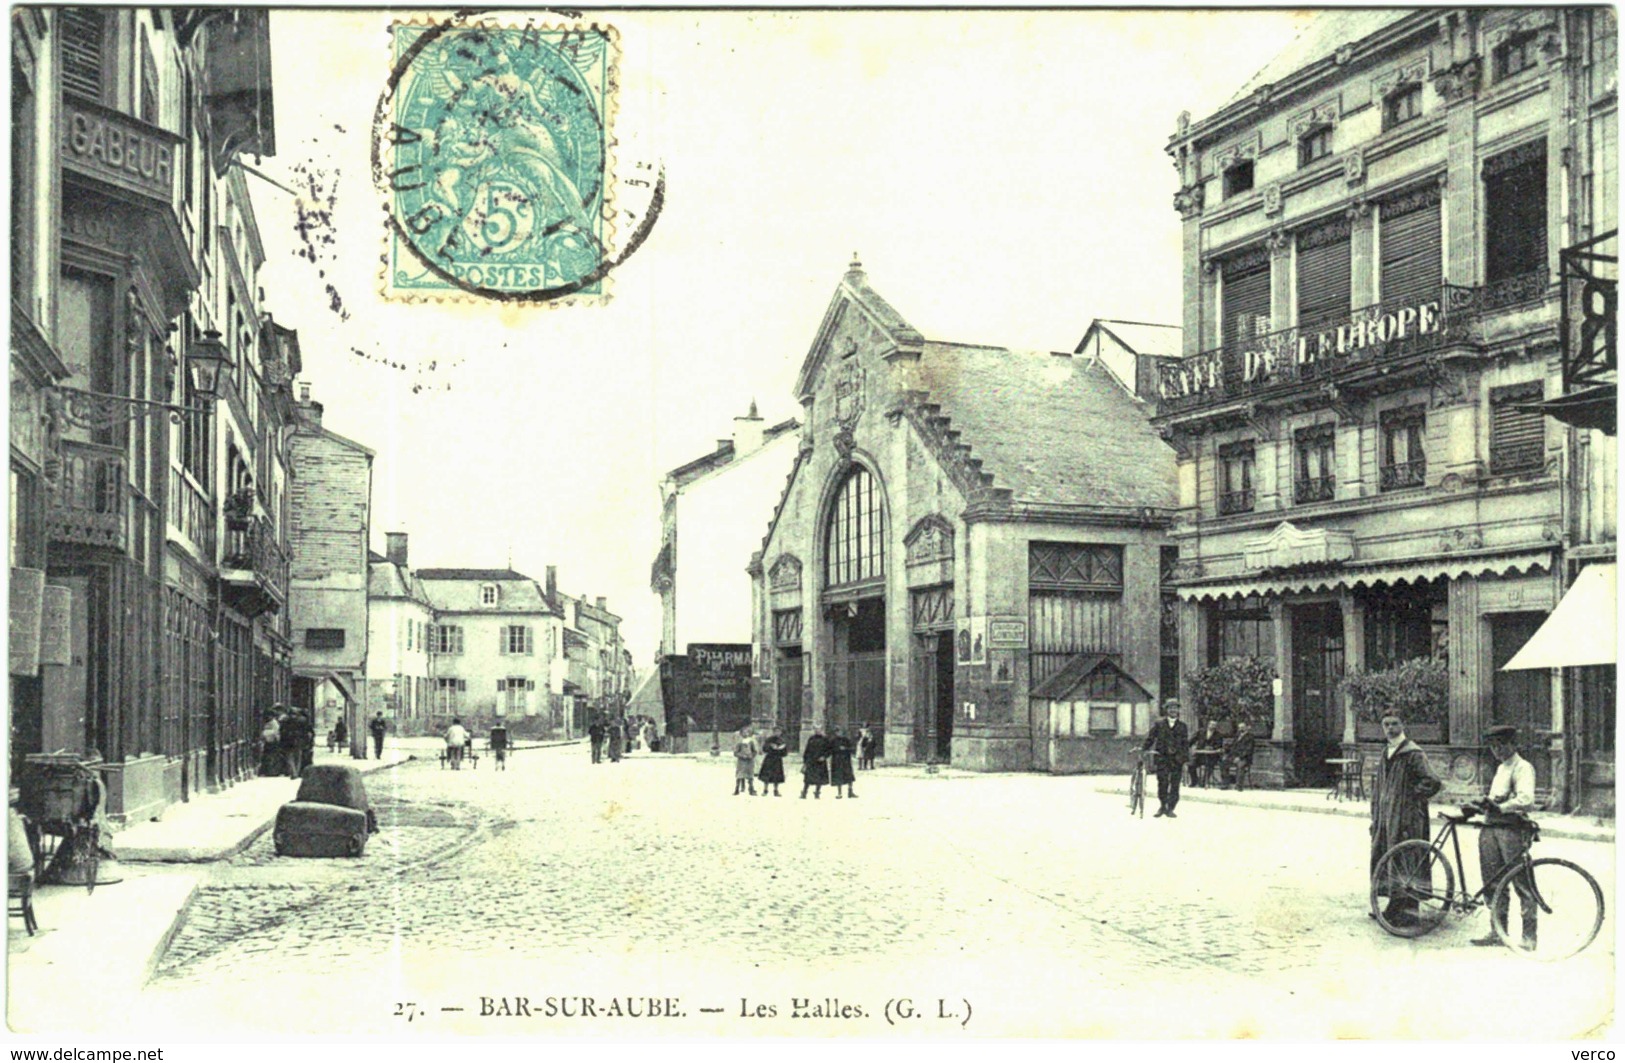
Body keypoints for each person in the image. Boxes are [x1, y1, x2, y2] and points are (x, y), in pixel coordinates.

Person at [1369, 711, 1443, 928]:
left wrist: (1411, 798)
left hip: (1407, 818)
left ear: (1403, 725)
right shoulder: (1387, 752)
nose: (1390, 728)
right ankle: (1394, 906)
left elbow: (1432, 781)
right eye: (1386, 724)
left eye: (1394, 724)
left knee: (1408, 861)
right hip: (1386, 818)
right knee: (1390, 858)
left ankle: (1410, 911)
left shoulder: (1413, 753)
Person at [1470, 724, 1539, 948]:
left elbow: (1526, 799)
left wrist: (1500, 807)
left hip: (1512, 830)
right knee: (1492, 881)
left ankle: (1529, 936)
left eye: (1501, 745)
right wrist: (1479, 806)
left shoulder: (1522, 767)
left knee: (1521, 881)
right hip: (1491, 828)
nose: (1497, 750)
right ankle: (1498, 931)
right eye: (1492, 746)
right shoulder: (1501, 769)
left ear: (1513, 744)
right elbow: (1496, 799)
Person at [1141, 699, 1190, 817]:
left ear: (1178, 710)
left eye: (1175, 708)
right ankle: (1163, 806)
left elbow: (1185, 744)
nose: (1173, 710)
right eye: (1170, 708)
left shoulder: (1183, 726)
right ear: (1166, 710)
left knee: (1175, 784)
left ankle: (1171, 808)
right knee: (1162, 783)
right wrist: (1144, 749)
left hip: (1177, 760)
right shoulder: (1159, 724)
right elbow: (1151, 738)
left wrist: (1185, 760)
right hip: (1162, 758)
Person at [1190, 719, 1223, 788]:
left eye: (1214, 725)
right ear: (1208, 725)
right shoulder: (1201, 732)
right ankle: (1194, 781)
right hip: (1200, 755)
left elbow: (1219, 745)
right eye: (1211, 725)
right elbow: (1192, 740)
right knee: (1191, 765)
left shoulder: (1218, 735)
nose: (1213, 726)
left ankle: (1204, 782)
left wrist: (1212, 748)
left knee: (1209, 765)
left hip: (1212, 756)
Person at [1226, 719, 1257, 791]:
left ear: (1246, 728)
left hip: (1244, 758)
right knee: (1223, 763)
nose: (1241, 729)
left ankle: (1239, 786)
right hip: (1235, 757)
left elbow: (1248, 750)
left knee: (1240, 766)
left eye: (1242, 727)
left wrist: (1240, 757)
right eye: (1239, 727)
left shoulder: (1250, 737)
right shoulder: (1237, 736)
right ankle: (1225, 784)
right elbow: (1233, 747)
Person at [800, 726, 830, 799]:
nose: (817, 731)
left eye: (819, 729)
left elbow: (829, 750)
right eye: (816, 729)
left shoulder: (825, 739)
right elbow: (807, 749)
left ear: (822, 730)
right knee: (808, 778)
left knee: (819, 778)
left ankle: (817, 792)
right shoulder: (811, 738)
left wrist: (824, 756)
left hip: (820, 761)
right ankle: (804, 792)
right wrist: (805, 760)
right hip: (811, 761)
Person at [828, 727, 857, 798]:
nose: (839, 733)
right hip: (836, 761)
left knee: (849, 776)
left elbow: (852, 749)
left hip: (846, 761)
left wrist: (846, 749)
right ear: (835, 733)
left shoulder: (846, 740)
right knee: (838, 777)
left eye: (840, 732)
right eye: (837, 732)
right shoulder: (833, 741)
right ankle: (839, 793)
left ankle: (850, 791)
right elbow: (829, 750)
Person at [758, 731, 788, 796]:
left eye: (778, 731)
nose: (777, 733)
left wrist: (780, 750)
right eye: (776, 731)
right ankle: (765, 790)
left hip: (777, 759)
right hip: (769, 759)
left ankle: (776, 790)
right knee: (766, 775)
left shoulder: (782, 741)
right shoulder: (769, 740)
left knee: (777, 775)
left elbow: (785, 753)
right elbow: (764, 749)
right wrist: (771, 747)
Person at [733, 726, 759, 796]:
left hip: (749, 761)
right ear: (741, 734)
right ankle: (737, 789)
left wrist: (752, 756)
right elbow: (735, 752)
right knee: (740, 775)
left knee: (750, 775)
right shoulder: (739, 742)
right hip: (741, 761)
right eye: (744, 732)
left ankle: (751, 789)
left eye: (747, 732)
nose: (746, 734)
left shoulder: (751, 741)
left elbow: (755, 751)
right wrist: (741, 755)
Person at [259, 710, 283, 776]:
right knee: (269, 757)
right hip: (269, 742)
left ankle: (272, 771)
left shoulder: (274, 723)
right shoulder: (270, 723)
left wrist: (265, 733)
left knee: (272, 757)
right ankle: (269, 771)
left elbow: (275, 733)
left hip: (272, 743)